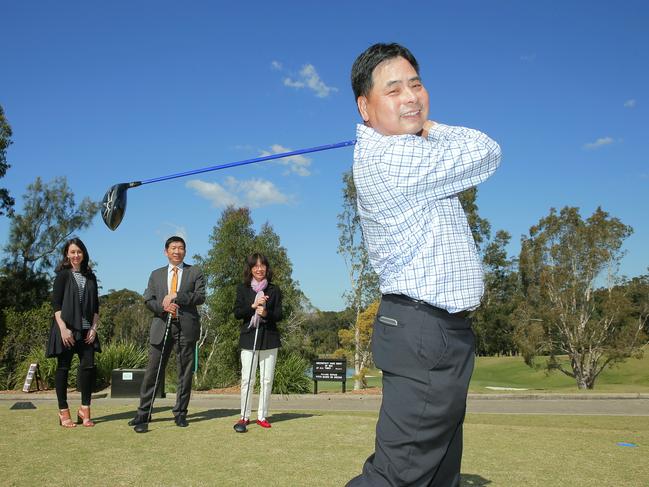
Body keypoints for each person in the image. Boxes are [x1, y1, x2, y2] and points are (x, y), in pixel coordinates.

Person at [347, 43, 502, 486]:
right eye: (393, 90)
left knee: (438, 472)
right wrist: (429, 128)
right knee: (398, 476)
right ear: (365, 106)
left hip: (437, 332)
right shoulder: (395, 157)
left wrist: (418, 128)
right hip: (423, 332)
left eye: (416, 84)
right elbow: (487, 151)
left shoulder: (405, 151)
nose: (411, 97)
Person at [128, 236, 205, 428]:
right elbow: (148, 300)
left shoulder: (194, 272)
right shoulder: (156, 274)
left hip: (186, 327)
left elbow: (200, 296)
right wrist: (164, 308)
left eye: (180, 248)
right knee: (153, 371)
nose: (177, 251)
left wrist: (177, 297)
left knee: (184, 372)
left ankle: (180, 413)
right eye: (173, 248)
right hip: (161, 327)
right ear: (166, 251)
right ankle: (143, 413)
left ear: (185, 251)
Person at [47, 237, 101, 428]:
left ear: (83, 253)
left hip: (87, 331)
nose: (76, 255)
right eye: (72, 252)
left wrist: (94, 328)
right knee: (63, 368)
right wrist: (63, 329)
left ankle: (84, 411)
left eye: (79, 252)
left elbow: (96, 306)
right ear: (67, 255)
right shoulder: (62, 275)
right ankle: (63, 412)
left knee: (88, 369)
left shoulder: (90, 275)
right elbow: (56, 305)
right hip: (67, 330)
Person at [233, 253, 283, 429]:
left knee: (266, 380)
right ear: (251, 269)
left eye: (262, 266)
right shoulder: (243, 288)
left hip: (269, 339)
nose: (259, 269)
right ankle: (244, 416)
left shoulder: (274, 290)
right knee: (247, 379)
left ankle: (262, 415)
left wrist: (266, 313)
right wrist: (253, 307)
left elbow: (279, 315)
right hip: (249, 338)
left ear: (267, 268)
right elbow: (238, 312)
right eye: (255, 266)